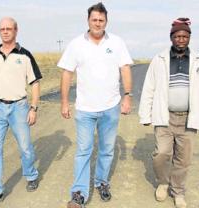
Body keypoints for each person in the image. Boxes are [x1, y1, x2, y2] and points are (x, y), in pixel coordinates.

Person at [57, 3, 133, 208]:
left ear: (106, 22)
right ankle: (79, 194)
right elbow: (66, 73)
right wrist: (64, 102)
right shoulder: (75, 44)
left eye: (101, 20)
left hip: (111, 107)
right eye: (94, 19)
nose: (97, 23)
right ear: (88, 21)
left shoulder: (117, 43)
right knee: (83, 150)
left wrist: (127, 96)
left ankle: (101, 183)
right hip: (85, 109)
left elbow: (125, 69)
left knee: (107, 149)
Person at [138, 18, 199, 208]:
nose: (181, 40)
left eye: (184, 36)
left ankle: (178, 191)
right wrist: (145, 114)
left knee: (183, 158)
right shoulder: (159, 60)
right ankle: (163, 183)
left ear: (189, 38)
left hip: (189, 118)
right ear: (171, 38)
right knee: (161, 154)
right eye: (177, 36)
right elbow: (149, 87)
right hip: (164, 117)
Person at [0, 17, 42, 208]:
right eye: (2, 29)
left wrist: (33, 108)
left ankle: (31, 175)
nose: (5, 31)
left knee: (25, 147)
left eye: (9, 28)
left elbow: (35, 83)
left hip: (19, 108)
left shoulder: (25, 56)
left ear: (16, 31)